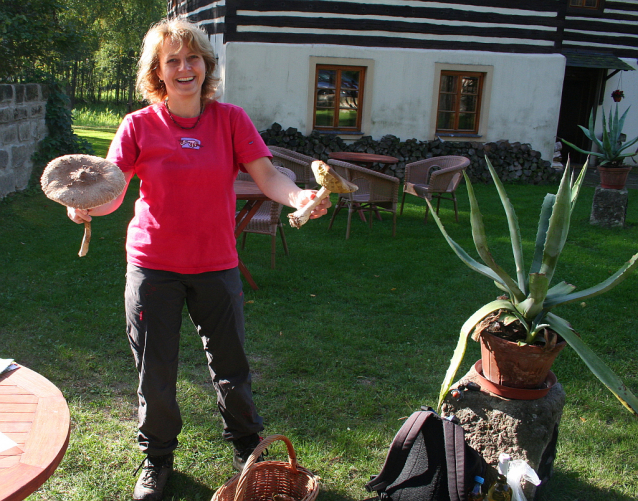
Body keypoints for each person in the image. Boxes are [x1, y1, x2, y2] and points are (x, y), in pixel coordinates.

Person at [67, 17, 330, 501]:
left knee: (231, 366)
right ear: (158, 72)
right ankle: (157, 459)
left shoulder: (230, 119)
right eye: (173, 61)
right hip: (153, 266)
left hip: (216, 265)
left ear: (206, 67)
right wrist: (85, 206)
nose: (185, 68)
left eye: (194, 59)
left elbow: (269, 176)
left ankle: (250, 453)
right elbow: (111, 191)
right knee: (156, 370)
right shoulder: (137, 126)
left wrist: (298, 197)